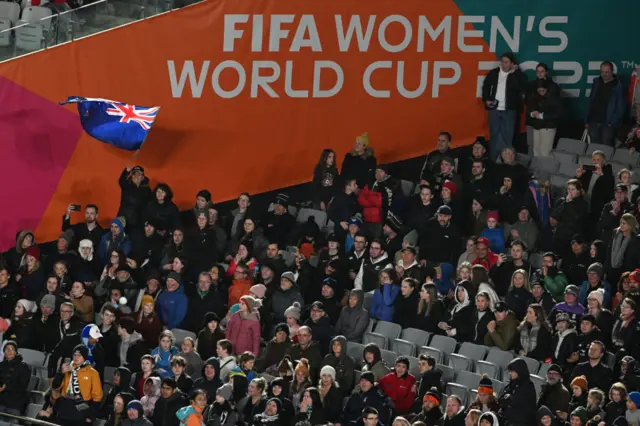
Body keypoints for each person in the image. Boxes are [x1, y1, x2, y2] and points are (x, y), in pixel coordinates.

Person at [481, 52, 528, 159]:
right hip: (494, 110)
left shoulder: (517, 76)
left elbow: (521, 88)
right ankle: (495, 160)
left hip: (509, 110)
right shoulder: (493, 73)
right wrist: (487, 100)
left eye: (506, 62)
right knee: (494, 136)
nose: (503, 64)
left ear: (512, 64)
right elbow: (485, 88)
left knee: (508, 137)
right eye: (502, 61)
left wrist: (514, 73)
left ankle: (506, 161)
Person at [51, 344, 103, 426]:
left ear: (84, 357)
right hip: (64, 408)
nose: (76, 357)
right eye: (74, 355)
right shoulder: (67, 369)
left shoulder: (93, 373)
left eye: (79, 355)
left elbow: (97, 397)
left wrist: (91, 416)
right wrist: (60, 373)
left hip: (80, 411)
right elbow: (55, 386)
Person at [586, 61, 626, 147]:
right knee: (594, 146)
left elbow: (620, 107)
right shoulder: (597, 82)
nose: (604, 74)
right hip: (593, 121)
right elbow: (591, 101)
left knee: (606, 146)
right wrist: (587, 119)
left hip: (607, 123)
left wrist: (611, 122)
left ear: (612, 71)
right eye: (602, 72)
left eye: (607, 72)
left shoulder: (618, 86)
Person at [527, 78, 562, 157]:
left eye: (543, 91)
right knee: (536, 151)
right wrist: (532, 113)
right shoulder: (534, 97)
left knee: (545, 152)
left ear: (547, 89)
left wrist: (542, 115)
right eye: (539, 91)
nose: (541, 93)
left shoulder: (554, 98)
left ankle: (545, 169)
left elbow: (559, 114)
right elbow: (529, 109)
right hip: (537, 126)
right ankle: (537, 168)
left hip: (548, 126)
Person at [498, 358, 537, 426]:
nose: (510, 373)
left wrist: (509, 399)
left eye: (512, 371)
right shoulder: (512, 383)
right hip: (508, 420)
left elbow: (520, 405)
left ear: (519, 371)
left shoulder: (528, 386)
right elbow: (501, 399)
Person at [0, 340, 30, 416]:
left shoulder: (23, 367)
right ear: (4, 352)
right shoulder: (1, 365)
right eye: (7, 349)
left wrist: (5, 387)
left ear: (16, 352)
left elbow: (22, 386)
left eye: (12, 349)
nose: (10, 351)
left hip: (15, 403)